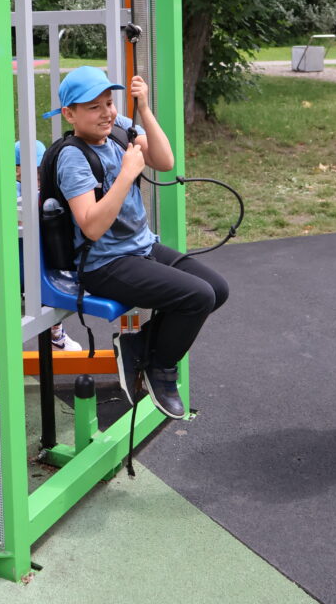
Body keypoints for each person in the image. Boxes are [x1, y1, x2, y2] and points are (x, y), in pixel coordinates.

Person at [43, 65, 228, 418]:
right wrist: (126, 175)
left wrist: (144, 109)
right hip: (103, 264)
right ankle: (160, 368)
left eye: (109, 103)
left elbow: (164, 161)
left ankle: (139, 345)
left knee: (217, 289)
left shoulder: (118, 130)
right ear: (70, 114)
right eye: (94, 107)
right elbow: (91, 226)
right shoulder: (73, 157)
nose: (106, 113)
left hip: (140, 248)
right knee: (198, 297)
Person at [15, 139, 82, 352]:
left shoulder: (43, 191)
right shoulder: (14, 190)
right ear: (17, 171)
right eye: (33, 171)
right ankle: (55, 333)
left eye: (40, 170)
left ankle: (56, 332)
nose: (38, 176)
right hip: (20, 265)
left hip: (35, 262)